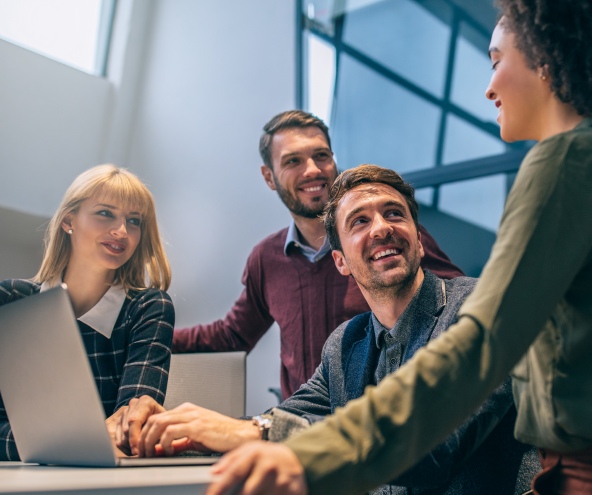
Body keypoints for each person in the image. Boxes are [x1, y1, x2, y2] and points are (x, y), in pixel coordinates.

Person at [204, 0, 592, 494]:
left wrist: (315, 454)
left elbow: (481, 348)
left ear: (547, 54)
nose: (489, 87)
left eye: (496, 61)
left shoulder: (569, 162)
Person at [114, 165, 539, 494]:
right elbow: (287, 419)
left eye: (394, 214)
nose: (381, 227)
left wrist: (252, 433)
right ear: (340, 262)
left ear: (419, 239)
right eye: (359, 221)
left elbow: (434, 447)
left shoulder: (479, 307)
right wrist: (189, 432)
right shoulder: (345, 344)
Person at [173, 110, 464, 400]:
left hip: (380, 426)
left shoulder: (390, 239)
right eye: (293, 161)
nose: (312, 169)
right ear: (269, 176)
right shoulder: (265, 259)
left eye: (322, 156)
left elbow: (454, 306)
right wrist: (147, 334)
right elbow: (232, 335)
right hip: (300, 420)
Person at [0, 165, 174, 462]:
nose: (122, 231)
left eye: (134, 221)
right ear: (69, 221)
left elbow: (131, 433)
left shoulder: (149, 307)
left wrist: (23, 444)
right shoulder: (11, 300)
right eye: (106, 213)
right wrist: (92, 438)